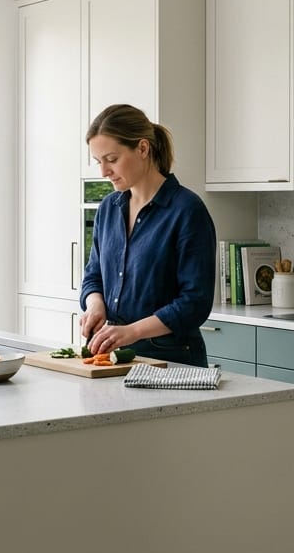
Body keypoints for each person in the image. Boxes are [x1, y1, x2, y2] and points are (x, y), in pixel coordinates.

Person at [79, 103, 216, 367]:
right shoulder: (108, 208)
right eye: (99, 162)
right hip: (112, 356)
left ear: (143, 148)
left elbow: (194, 303)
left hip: (172, 360)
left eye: (112, 159)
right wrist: (95, 304)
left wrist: (130, 332)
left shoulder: (187, 210)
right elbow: (93, 275)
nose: (103, 172)